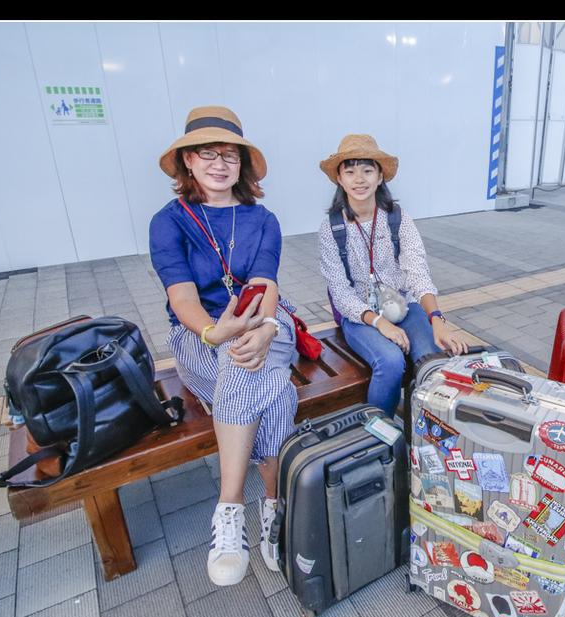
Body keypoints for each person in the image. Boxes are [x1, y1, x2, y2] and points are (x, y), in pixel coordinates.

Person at [150, 106, 296, 586]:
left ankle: (229, 510)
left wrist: (267, 326)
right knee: (269, 386)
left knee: (246, 365)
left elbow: (265, 282)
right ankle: (273, 505)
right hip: (199, 334)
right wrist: (216, 333)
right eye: (207, 154)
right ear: (188, 161)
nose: (219, 163)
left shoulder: (263, 219)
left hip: (264, 319)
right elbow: (182, 298)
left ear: (242, 164)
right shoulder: (169, 221)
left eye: (229, 155)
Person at [318, 134, 467, 417]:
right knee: (390, 361)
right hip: (359, 314)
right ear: (339, 178)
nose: (359, 179)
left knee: (432, 359)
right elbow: (339, 293)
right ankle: (378, 433)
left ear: (380, 176)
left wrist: (437, 319)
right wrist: (380, 323)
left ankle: (423, 430)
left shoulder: (398, 218)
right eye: (350, 172)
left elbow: (417, 271)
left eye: (367, 170)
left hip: (403, 304)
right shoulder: (331, 228)